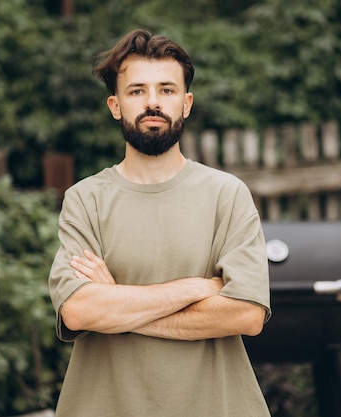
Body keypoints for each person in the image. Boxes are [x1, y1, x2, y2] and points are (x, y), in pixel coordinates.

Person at [48, 28, 272, 417]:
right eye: (137, 91)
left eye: (166, 90)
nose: (153, 102)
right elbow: (80, 311)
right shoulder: (85, 200)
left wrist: (119, 302)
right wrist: (196, 287)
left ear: (186, 103)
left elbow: (246, 314)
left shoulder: (226, 194)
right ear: (115, 105)